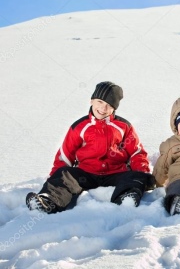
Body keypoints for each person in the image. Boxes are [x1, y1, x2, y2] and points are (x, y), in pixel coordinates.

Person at [26, 81, 155, 213]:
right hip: (86, 174)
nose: (103, 108)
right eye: (100, 102)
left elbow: (137, 152)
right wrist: (55, 178)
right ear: (91, 101)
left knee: (137, 176)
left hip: (116, 174)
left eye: (109, 105)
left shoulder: (123, 126)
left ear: (114, 108)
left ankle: (126, 199)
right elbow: (65, 155)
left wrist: (143, 173)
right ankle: (48, 201)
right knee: (64, 174)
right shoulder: (80, 127)